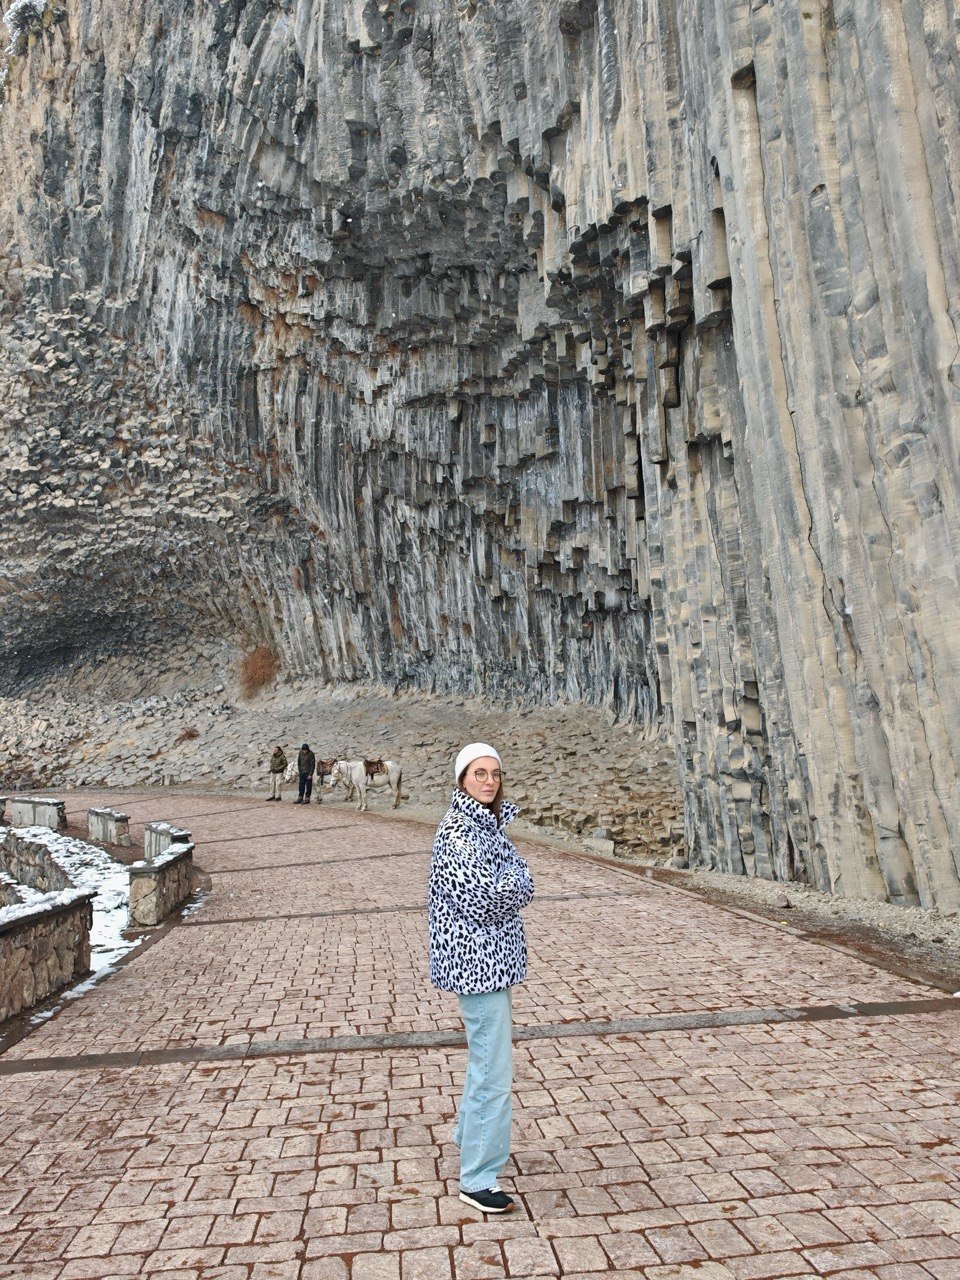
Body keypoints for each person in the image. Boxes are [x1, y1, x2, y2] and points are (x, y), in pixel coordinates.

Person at [428, 742, 534, 1215]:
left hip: (491, 961)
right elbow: (490, 897)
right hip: (478, 964)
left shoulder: (486, 827)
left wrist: (513, 878)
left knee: (484, 1063)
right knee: (493, 1071)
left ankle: (470, 1142)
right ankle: (477, 1176)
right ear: (461, 780)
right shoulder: (459, 835)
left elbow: (514, 877)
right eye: (478, 774)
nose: (489, 781)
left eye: (493, 773)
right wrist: (516, 880)